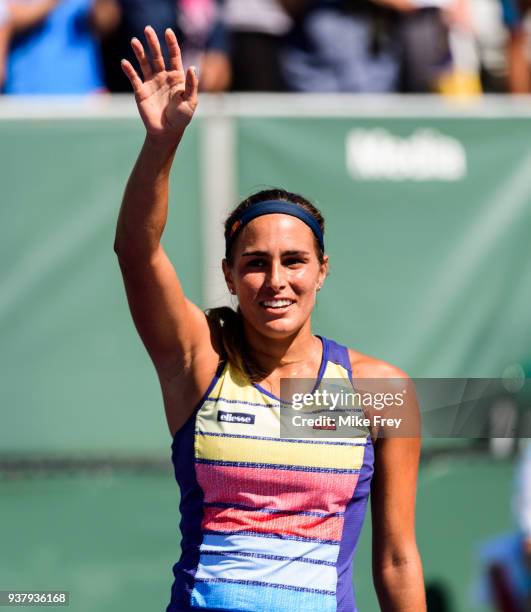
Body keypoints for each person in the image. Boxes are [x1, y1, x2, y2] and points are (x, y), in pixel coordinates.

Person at [114, 26, 426, 611]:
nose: (276, 281)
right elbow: (136, 252)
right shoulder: (197, 358)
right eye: (255, 264)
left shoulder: (382, 391)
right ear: (229, 276)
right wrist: (161, 143)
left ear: (323, 270)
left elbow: (398, 559)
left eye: (294, 261)